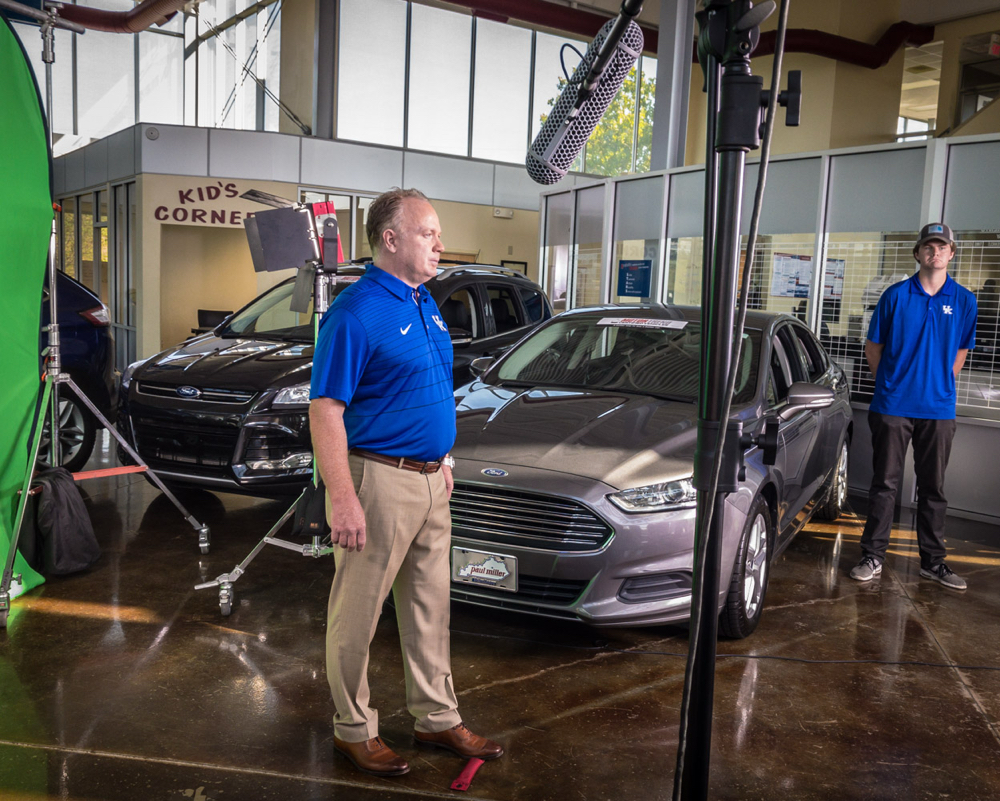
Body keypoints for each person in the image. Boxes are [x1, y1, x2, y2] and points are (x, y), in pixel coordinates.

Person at [309, 188, 503, 777]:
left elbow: (427, 390)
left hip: (429, 481)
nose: (440, 244)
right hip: (378, 482)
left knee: (428, 609)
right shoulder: (356, 312)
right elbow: (325, 410)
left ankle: (437, 718)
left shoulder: (425, 302)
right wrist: (342, 496)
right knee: (358, 614)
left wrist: (441, 457)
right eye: (428, 233)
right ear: (390, 240)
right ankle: (353, 728)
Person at [850, 223, 977, 589]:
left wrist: (940, 386)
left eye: (941, 247)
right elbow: (873, 348)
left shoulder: (965, 300)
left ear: (951, 253)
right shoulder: (895, 296)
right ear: (918, 253)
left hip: (938, 411)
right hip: (893, 406)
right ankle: (873, 555)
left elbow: (961, 352)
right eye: (928, 246)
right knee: (884, 485)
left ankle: (933, 563)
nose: (934, 252)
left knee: (933, 488)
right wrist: (891, 384)